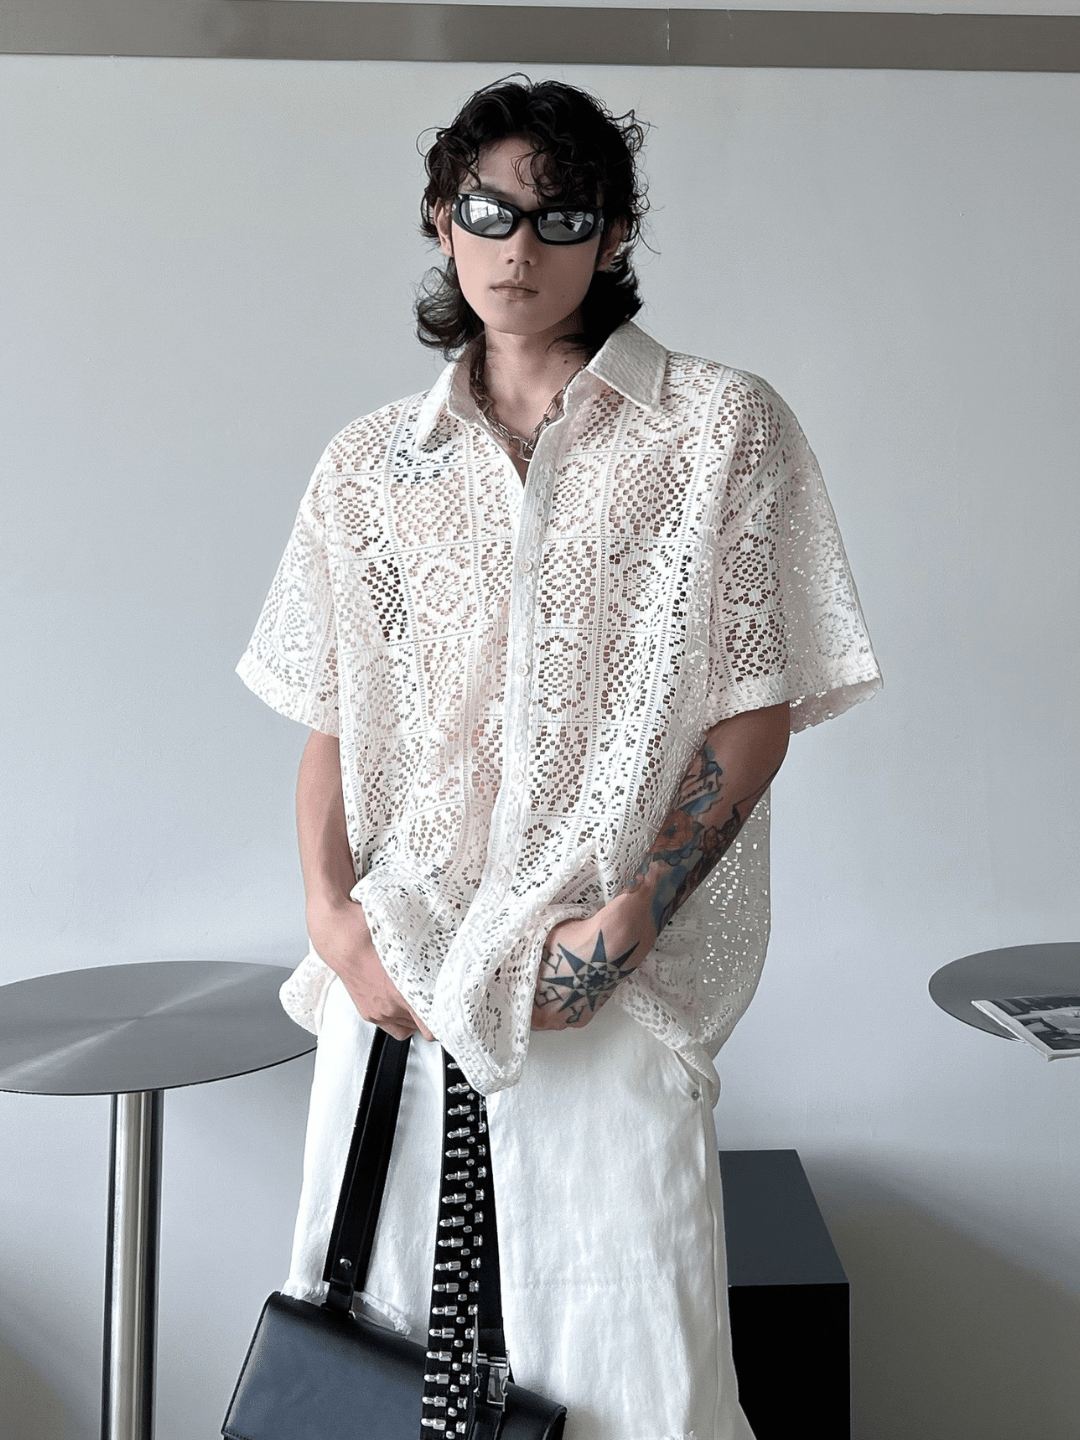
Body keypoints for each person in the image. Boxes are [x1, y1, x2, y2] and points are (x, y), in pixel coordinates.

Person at [236, 74, 881, 1440]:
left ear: (615, 232)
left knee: (640, 1386)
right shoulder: (370, 467)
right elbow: (334, 717)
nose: (519, 248)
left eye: (561, 216)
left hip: (608, 987)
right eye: (489, 212)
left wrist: (633, 913)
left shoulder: (718, 428)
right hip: (397, 986)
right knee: (371, 1371)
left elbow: (756, 704)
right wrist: (332, 923)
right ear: (442, 218)